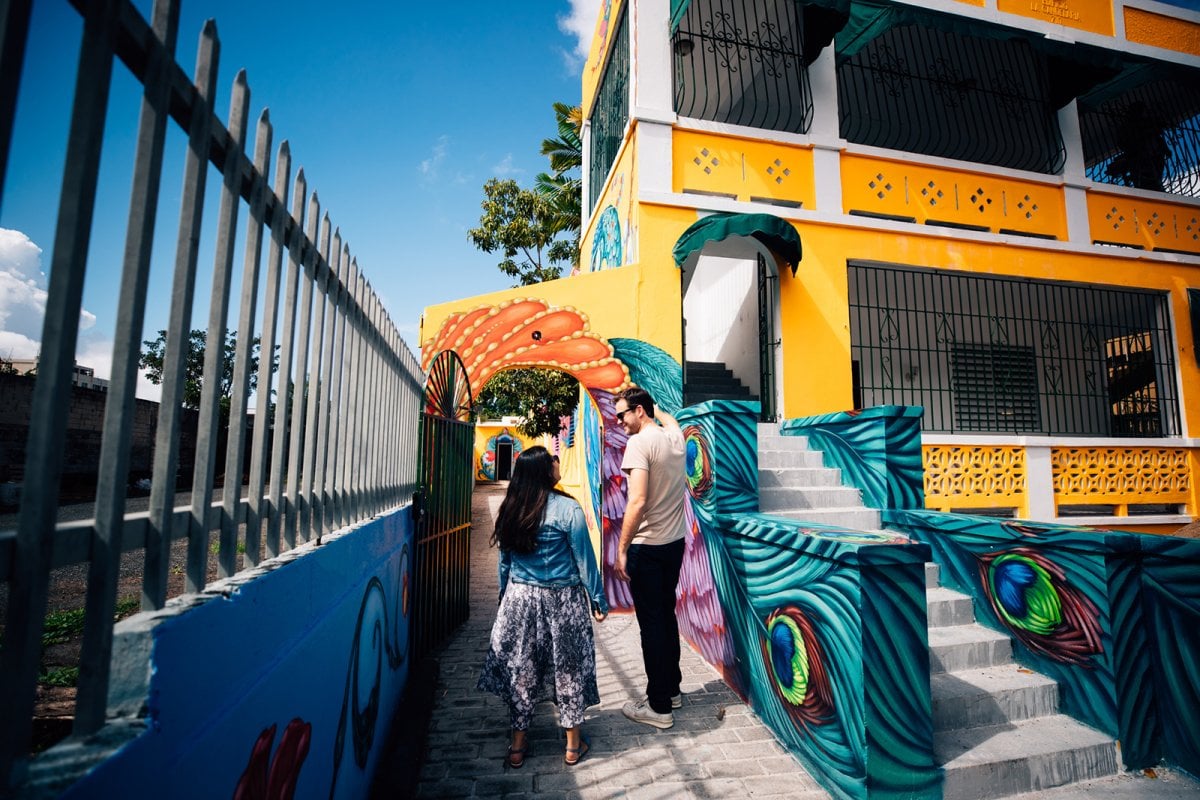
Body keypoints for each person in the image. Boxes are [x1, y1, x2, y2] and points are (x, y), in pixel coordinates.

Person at [478, 446, 609, 768]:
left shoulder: (511, 507)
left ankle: (518, 746)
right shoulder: (568, 508)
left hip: (520, 600)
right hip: (562, 601)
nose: (557, 462)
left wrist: (503, 597)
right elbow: (584, 561)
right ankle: (572, 747)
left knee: (522, 671)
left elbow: (504, 563)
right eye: (552, 459)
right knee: (569, 668)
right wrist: (598, 598)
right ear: (543, 470)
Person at [613, 387, 687, 729]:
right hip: (674, 544)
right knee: (665, 617)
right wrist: (660, 411)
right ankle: (671, 691)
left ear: (639, 410)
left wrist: (622, 548)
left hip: (648, 547)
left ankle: (659, 708)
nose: (619, 421)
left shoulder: (639, 444)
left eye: (622, 414)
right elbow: (670, 420)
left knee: (652, 626)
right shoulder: (674, 438)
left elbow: (637, 501)